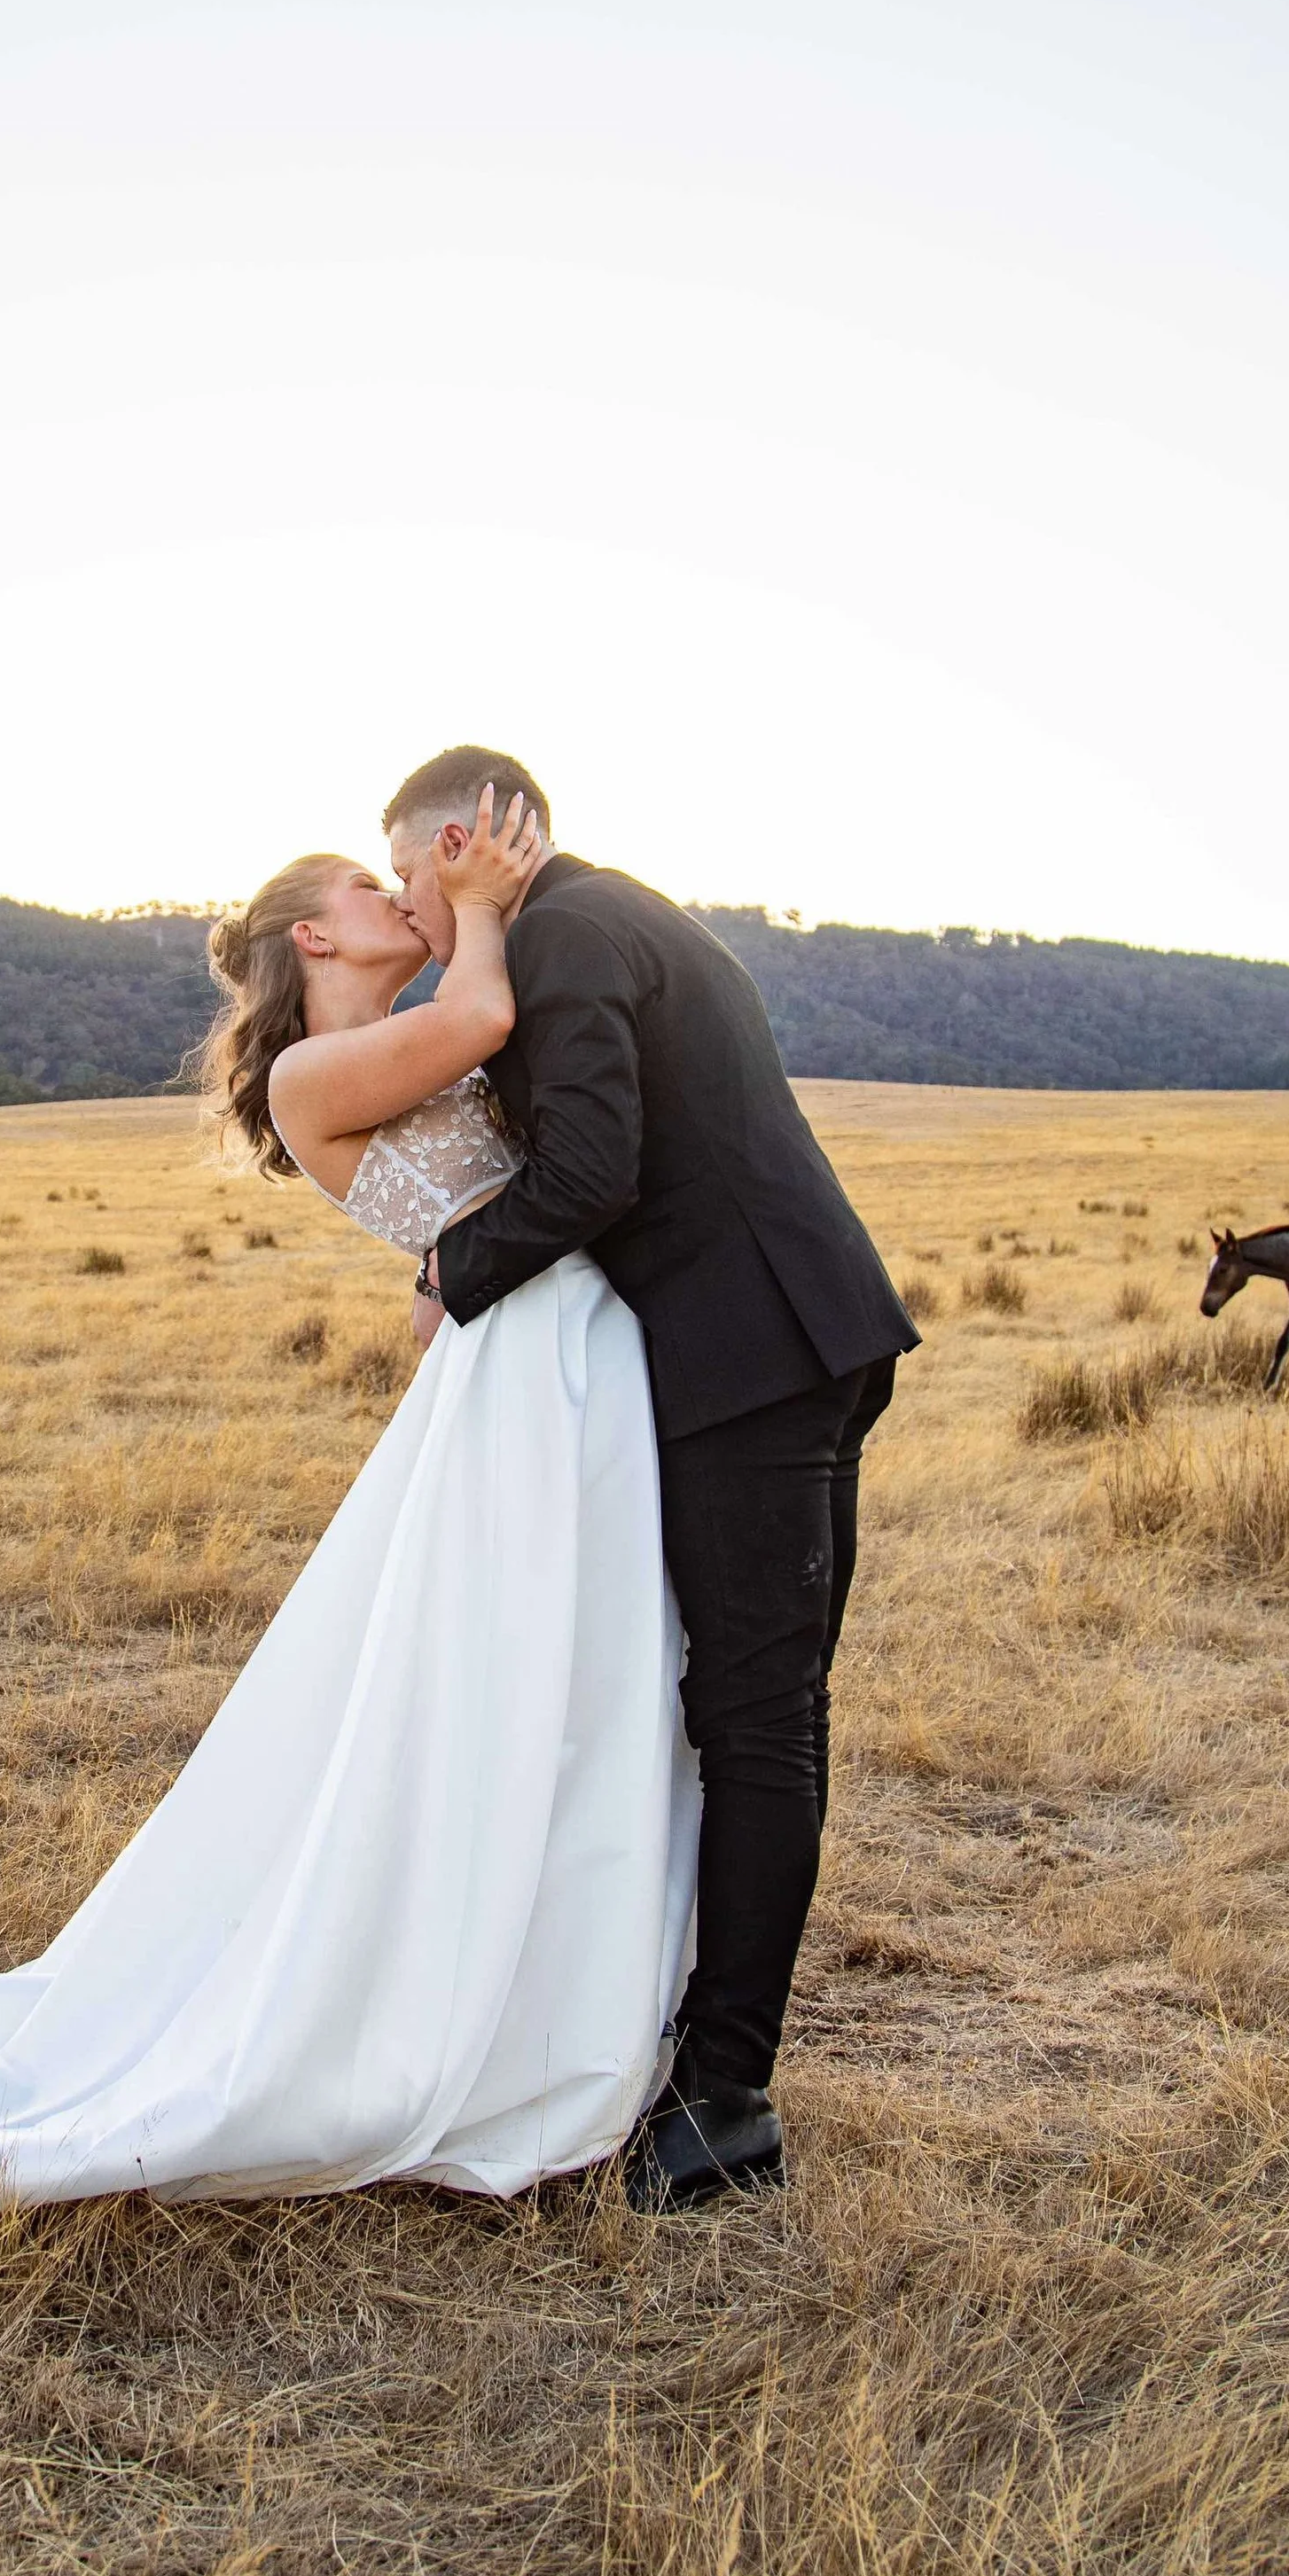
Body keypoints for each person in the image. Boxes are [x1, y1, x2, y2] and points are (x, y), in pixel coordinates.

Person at [0, 789, 698, 2224]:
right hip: (525, 1361)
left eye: (416, 889)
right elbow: (489, 1024)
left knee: (571, 1670)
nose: (411, 902)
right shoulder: (317, 1076)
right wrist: (495, 901)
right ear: (320, 934)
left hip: (547, 1341)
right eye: (381, 892)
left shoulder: (363, 1041)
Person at [385, 747, 916, 2211]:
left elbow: (595, 1166)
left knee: (755, 1720)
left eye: (411, 882)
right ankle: (704, 2046)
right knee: (766, 1706)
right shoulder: (624, 912)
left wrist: (454, 1267)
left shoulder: (560, 936)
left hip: (753, 1359)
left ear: (463, 842)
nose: (413, 920)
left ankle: (725, 2096)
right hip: (805, 1332)